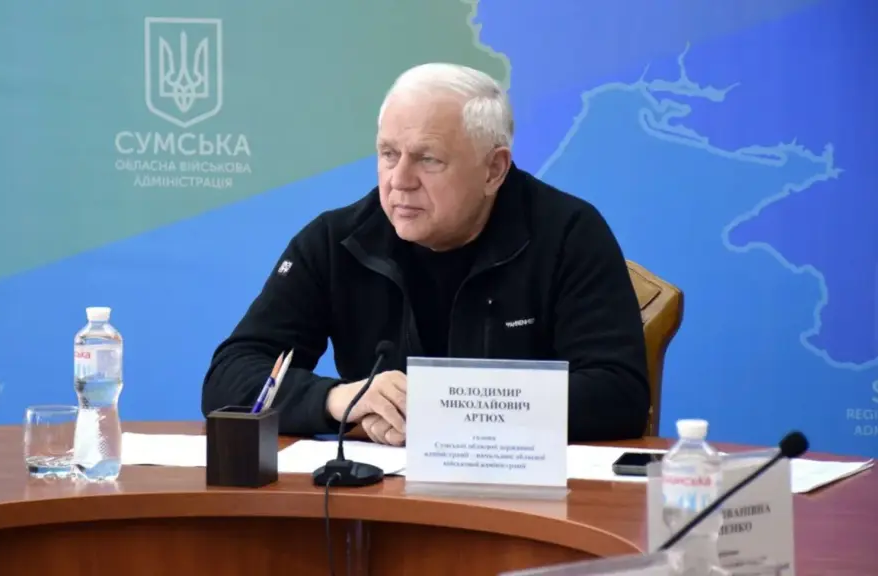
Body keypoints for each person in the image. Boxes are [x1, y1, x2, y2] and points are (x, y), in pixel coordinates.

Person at [202, 62, 650, 445]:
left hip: (523, 493)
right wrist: (340, 400)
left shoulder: (568, 233)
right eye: (388, 153)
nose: (399, 180)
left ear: (494, 169)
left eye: (428, 159)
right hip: (379, 495)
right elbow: (229, 377)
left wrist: (440, 409)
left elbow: (618, 395)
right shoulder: (335, 241)